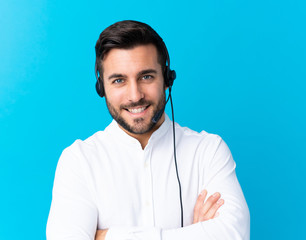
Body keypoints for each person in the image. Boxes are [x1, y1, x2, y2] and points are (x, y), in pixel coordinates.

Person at [46, 20, 250, 240]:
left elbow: (233, 235)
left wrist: (107, 236)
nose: (135, 95)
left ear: (167, 79)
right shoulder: (79, 161)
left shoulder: (208, 151)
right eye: (118, 80)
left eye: (146, 77)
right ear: (101, 88)